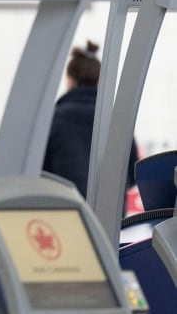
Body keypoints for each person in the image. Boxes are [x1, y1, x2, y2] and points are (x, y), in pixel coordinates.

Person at [43, 40, 138, 202]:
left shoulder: (53, 118)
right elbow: (132, 171)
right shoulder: (116, 119)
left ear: (70, 80)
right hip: (110, 214)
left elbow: (41, 172)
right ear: (98, 80)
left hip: (67, 212)